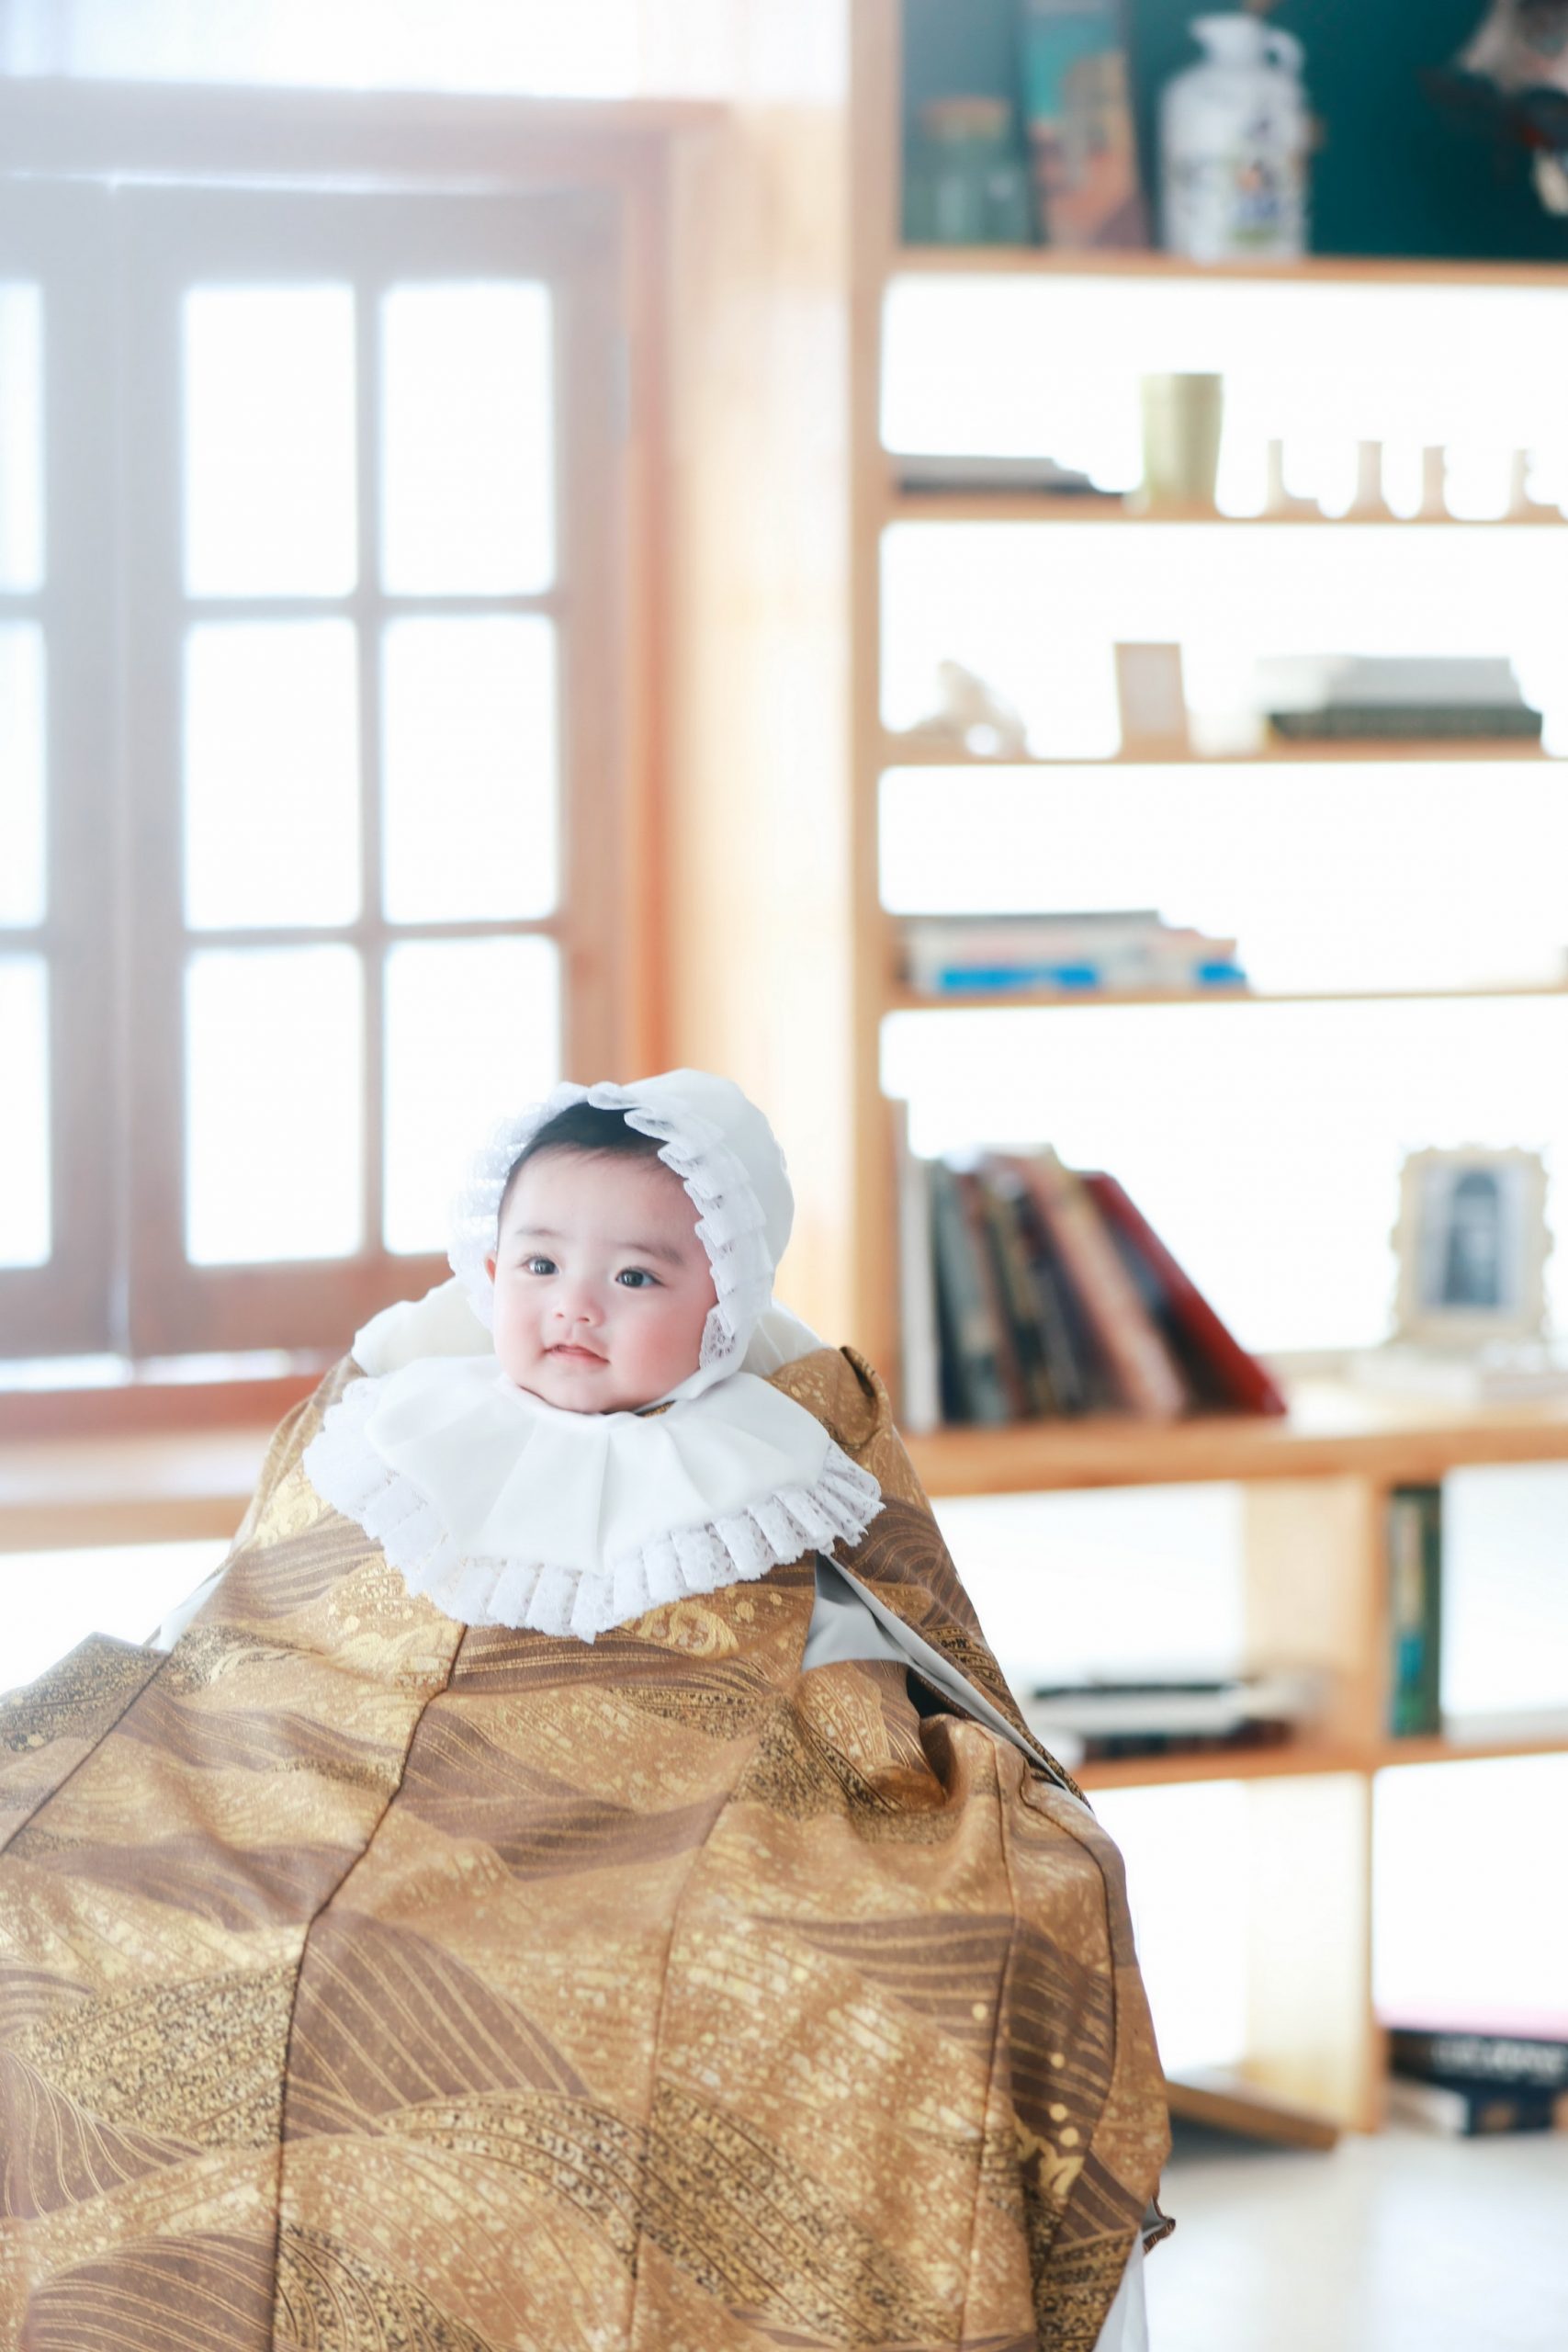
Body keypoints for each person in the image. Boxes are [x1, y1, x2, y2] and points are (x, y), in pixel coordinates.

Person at [0, 1069, 1169, 2351]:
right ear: (488, 1267)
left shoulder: (774, 1464)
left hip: (666, 1816)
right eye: (541, 1261)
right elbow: (253, 1621)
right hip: (338, 1778)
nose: (574, 1305)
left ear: (721, 1295)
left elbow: (878, 1644)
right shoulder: (397, 1424)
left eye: (635, 1278)